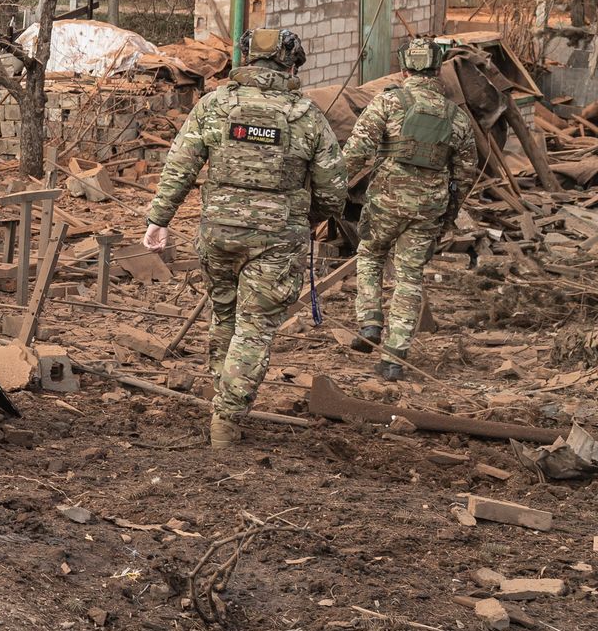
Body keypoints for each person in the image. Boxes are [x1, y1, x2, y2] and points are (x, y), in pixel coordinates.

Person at [143, 27, 346, 447]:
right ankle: (227, 419)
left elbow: (180, 164)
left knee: (225, 316)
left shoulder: (214, 105)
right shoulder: (306, 116)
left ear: (247, 59)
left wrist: (158, 219)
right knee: (254, 329)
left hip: (218, 234)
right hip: (277, 238)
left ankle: (224, 395)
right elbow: (333, 190)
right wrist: (307, 219)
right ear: (292, 64)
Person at [341, 37, 477, 381]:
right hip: (428, 208)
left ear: (404, 68)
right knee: (409, 277)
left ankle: (370, 323)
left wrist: (330, 186)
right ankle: (395, 356)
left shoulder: (388, 102)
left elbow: (356, 152)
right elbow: (465, 172)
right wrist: (448, 212)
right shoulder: (456, 117)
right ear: (436, 69)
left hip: (386, 200)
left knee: (370, 256)